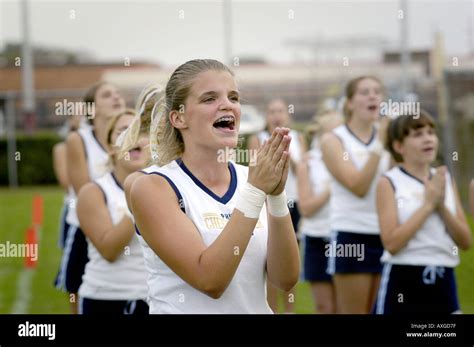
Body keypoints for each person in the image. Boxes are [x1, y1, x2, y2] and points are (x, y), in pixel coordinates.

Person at [122, 59, 300, 314]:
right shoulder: (154, 186)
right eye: (209, 99)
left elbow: (285, 279)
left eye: (234, 97)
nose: (227, 105)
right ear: (178, 118)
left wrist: (276, 195)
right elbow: (210, 280)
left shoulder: (251, 179)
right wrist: (256, 191)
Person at [374, 110, 471, 314]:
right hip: (404, 280)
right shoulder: (389, 182)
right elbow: (392, 244)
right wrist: (427, 205)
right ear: (399, 146)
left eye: (430, 132)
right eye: (417, 134)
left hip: (444, 279)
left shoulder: (444, 180)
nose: (428, 139)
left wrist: (441, 205)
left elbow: (465, 242)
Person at [321, 76, 391, 314]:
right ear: (350, 103)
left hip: (387, 235)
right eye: (364, 92)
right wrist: (380, 144)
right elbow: (357, 186)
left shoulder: (388, 139)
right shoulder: (333, 140)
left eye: (377, 91)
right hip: (352, 236)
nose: (373, 96)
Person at [55, 82, 126, 313]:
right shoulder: (79, 139)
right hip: (86, 227)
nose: (116, 97)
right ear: (92, 109)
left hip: (124, 225)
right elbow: (83, 190)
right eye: (107, 95)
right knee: (77, 289)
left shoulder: (130, 137)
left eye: (117, 94)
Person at [76, 109, 149, 314]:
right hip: (106, 299)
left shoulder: (164, 187)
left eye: (140, 131)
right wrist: (138, 203)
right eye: (124, 131)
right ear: (110, 148)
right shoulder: (94, 191)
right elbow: (109, 250)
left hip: (153, 298)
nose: (133, 136)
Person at [247, 98, 306, 313]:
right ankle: (270, 308)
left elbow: (304, 174)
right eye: (272, 111)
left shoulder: (298, 138)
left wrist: (291, 158)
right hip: (268, 206)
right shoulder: (258, 139)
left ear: (287, 115)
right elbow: (256, 174)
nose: (276, 115)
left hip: (294, 204)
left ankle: (289, 311)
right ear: (266, 116)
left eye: (280, 111)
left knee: (291, 260)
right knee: (270, 261)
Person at [297, 109, 343, 313]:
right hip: (316, 239)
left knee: (346, 307)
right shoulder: (308, 162)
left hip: (343, 239)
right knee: (325, 307)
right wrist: (331, 188)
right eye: (333, 133)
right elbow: (306, 208)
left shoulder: (349, 159)